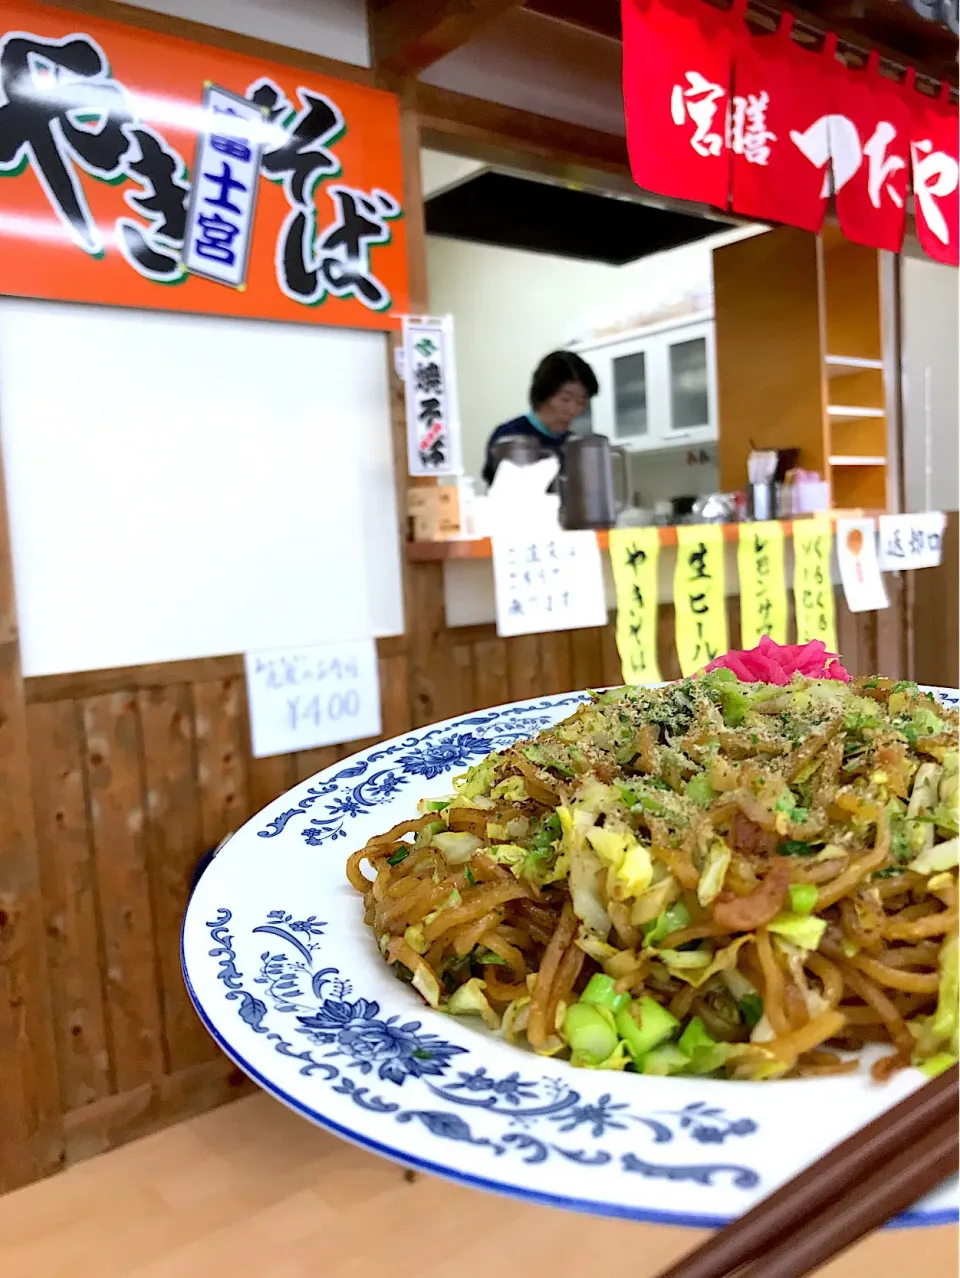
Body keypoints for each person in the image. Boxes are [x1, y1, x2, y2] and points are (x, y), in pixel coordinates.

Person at [481, 350, 599, 488]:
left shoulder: (572, 444)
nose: (573, 410)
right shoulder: (509, 437)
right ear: (543, 395)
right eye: (565, 399)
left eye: (580, 402)